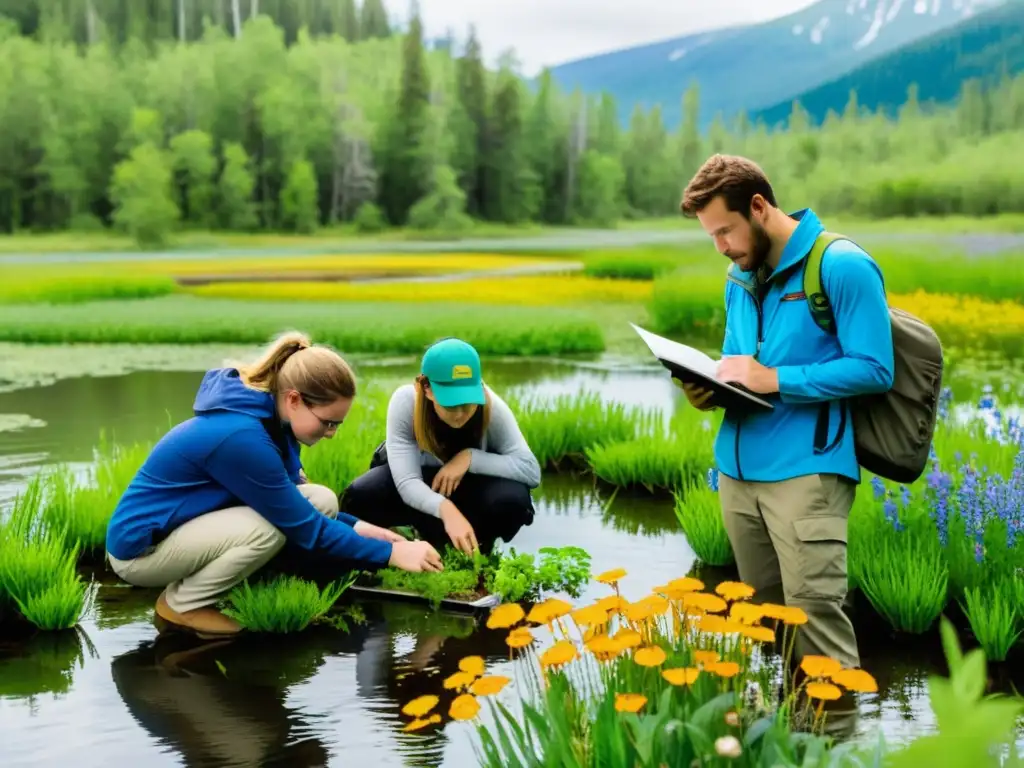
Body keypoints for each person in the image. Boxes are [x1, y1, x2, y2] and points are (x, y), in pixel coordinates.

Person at [676, 154, 895, 674]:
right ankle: (788, 747)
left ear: (758, 206)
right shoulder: (738, 276)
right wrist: (709, 386)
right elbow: (740, 363)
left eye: (725, 231)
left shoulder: (841, 265)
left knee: (817, 630)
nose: (721, 247)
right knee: (766, 627)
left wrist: (772, 379)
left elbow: (873, 368)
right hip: (738, 475)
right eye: (711, 236)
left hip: (807, 476)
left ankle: (835, 752)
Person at [105, 331, 444, 639]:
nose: (331, 433)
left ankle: (232, 586)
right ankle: (182, 605)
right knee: (269, 529)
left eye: (337, 424)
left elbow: (295, 506)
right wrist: (393, 553)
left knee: (321, 499)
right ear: (294, 400)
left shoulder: (273, 422)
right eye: (327, 423)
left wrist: (364, 529)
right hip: (141, 551)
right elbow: (303, 528)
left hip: (188, 527)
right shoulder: (242, 437)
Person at [342, 337, 541, 557]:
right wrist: (446, 510)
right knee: (360, 494)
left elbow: (530, 470)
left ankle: (479, 547)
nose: (460, 413)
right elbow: (408, 481)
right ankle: (393, 547)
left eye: (468, 402)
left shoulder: (492, 407)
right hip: (420, 484)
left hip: (473, 488)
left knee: (513, 499)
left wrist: (469, 459)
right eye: (450, 403)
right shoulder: (406, 402)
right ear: (425, 387)